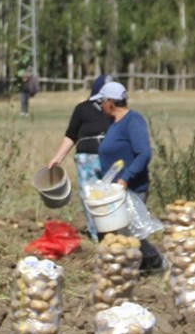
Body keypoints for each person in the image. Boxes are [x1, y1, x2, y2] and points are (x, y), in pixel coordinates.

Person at [95, 81, 161, 272]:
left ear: (110, 102)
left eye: (101, 102)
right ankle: (130, 270)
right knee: (118, 233)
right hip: (114, 190)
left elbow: (144, 153)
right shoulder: (113, 123)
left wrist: (126, 177)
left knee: (133, 233)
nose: (100, 107)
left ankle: (157, 263)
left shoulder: (133, 121)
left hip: (131, 187)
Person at [47, 74, 114, 241]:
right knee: (90, 197)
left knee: (111, 195)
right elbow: (71, 135)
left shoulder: (116, 110)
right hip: (87, 160)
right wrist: (58, 157)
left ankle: (113, 232)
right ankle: (97, 235)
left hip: (111, 159)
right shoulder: (82, 109)